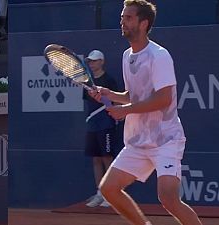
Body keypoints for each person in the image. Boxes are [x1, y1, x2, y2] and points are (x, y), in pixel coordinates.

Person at [89, 1, 203, 225]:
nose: (122, 21)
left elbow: (163, 99)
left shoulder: (159, 56)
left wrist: (125, 111)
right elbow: (135, 95)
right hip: (139, 141)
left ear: (144, 23)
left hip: (165, 139)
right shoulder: (126, 56)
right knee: (109, 189)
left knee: (168, 198)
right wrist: (110, 93)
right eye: (122, 17)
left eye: (128, 18)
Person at [83, 50, 117, 208]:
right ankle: (100, 193)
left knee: (106, 158)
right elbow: (88, 103)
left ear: (102, 61)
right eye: (90, 61)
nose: (92, 63)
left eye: (95, 61)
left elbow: (115, 102)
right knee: (96, 159)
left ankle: (110, 195)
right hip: (92, 125)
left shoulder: (109, 80)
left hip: (106, 124)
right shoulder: (87, 82)